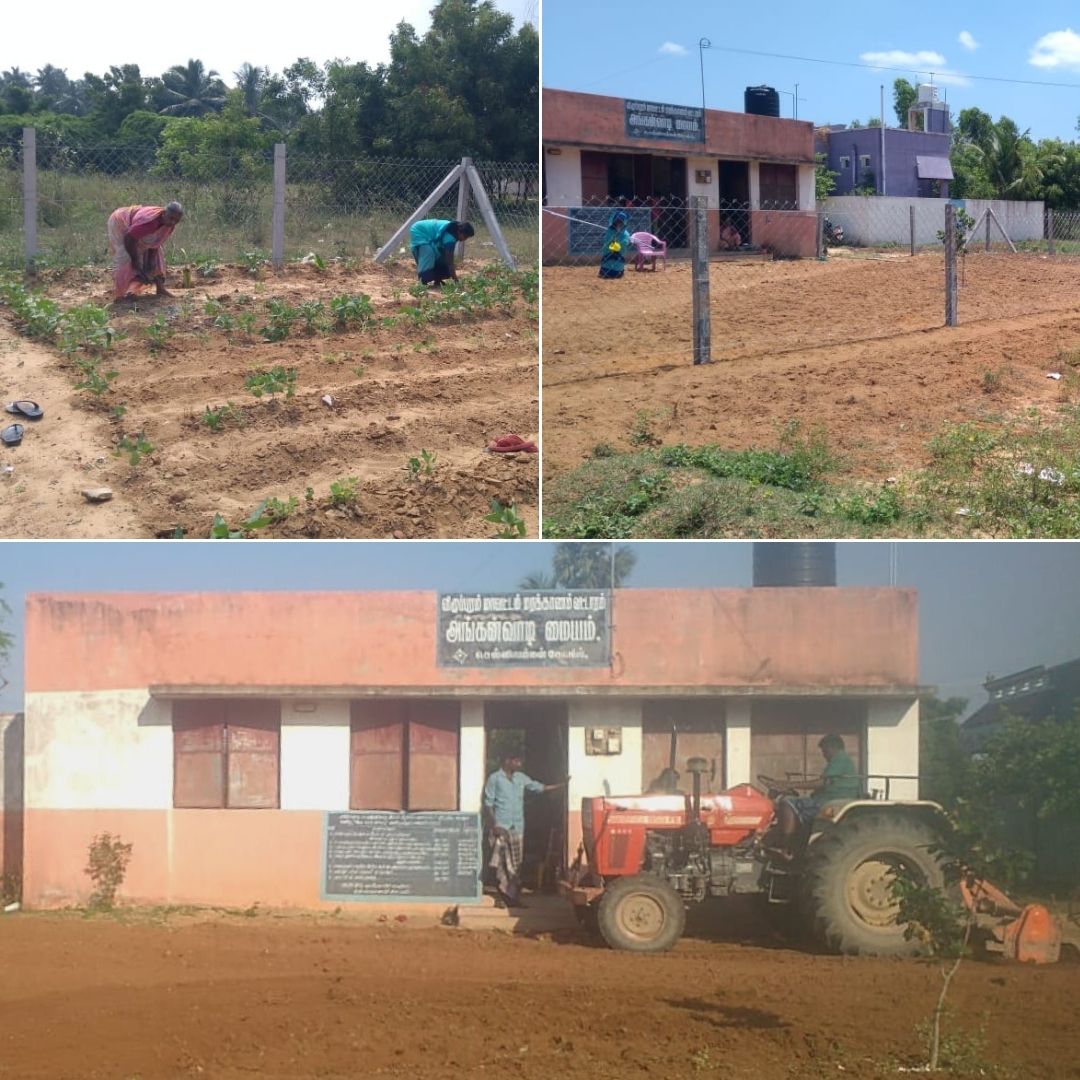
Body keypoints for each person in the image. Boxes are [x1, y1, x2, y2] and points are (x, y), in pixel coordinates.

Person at [482, 753, 565, 908]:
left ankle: (512, 897)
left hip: (517, 827)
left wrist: (561, 786)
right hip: (501, 827)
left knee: (516, 865)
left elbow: (539, 787)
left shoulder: (520, 778)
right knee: (499, 864)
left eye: (519, 761)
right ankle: (500, 897)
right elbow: (488, 804)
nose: (519, 764)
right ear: (507, 761)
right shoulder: (495, 778)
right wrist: (495, 825)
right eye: (516, 761)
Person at [775, 733, 861, 856]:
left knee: (787, 803)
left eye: (824, 751)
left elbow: (822, 782)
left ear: (832, 747)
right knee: (796, 802)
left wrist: (789, 785)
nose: (824, 755)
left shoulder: (840, 759)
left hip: (831, 802)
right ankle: (797, 846)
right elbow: (827, 783)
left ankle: (785, 847)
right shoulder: (842, 760)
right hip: (829, 798)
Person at [107, 202, 184, 301]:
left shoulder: (168, 225)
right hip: (120, 222)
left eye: (176, 220)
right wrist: (135, 261)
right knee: (126, 256)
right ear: (164, 213)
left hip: (133, 231)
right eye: (171, 218)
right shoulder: (150, 223)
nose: (173, 222)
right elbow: (129, 238)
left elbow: (155, 244)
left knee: (157, 254)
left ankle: (160, 288)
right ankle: (120, 295)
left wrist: (150, 264)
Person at [408, 219, 474, 288]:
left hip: (427, 231)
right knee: (428, 253)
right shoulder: (450, 237)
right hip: (419, 231)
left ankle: (437, 280)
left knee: (441, 256)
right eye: (465, 236)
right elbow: (450, 263)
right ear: (459, 232)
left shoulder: (454, 230)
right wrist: (456, 282)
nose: (465, 239)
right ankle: (422, 281)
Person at [599, 209, 632, 279]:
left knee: (617, 265)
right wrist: (612, 242)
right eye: (617, 221)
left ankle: (618, 272)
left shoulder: (625, 234)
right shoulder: (609, 231)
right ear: (613, 221)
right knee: (607, 263)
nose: (619, 223)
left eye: (621, 222)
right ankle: (605, 272)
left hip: (619, 258)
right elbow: (606, 241)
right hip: (608, 255)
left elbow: (625, 242)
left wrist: (620, 244)